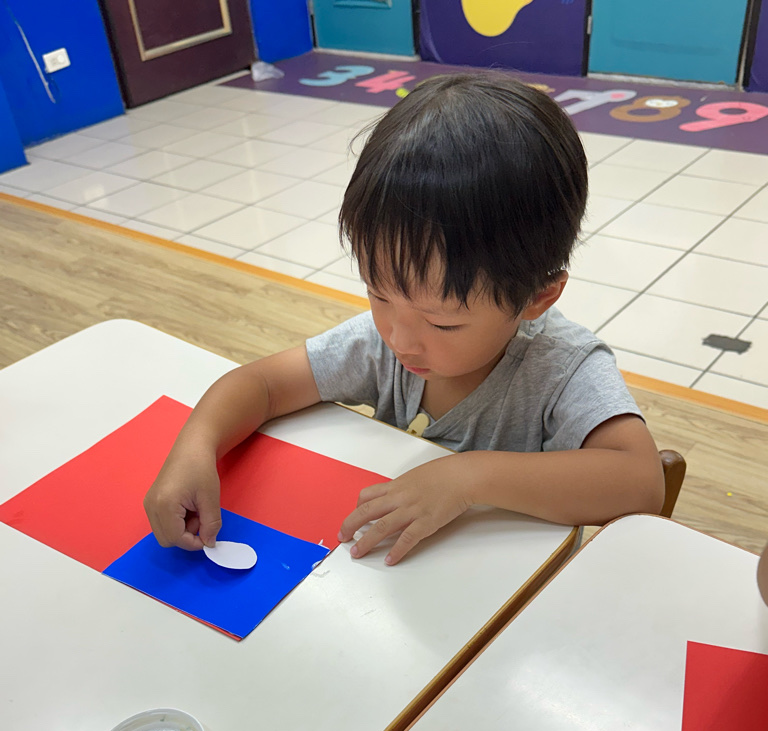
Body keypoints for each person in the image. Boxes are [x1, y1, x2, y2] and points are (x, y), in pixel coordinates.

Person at [144, 72, 664, 566]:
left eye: (443, 324)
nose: (399, 339)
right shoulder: (382, 343)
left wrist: (467, 478)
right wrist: (196, 447)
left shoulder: (563, 368)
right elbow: (262, 384)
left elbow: (641, 483)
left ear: (537, 297)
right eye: (379, 295)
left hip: (514, 596)